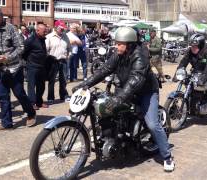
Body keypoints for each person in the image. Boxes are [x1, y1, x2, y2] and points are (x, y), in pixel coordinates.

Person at [72, 27, 175, 172]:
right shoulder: (119, 54)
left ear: (129, 44)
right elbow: (104, 69)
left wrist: (118, 98)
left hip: (146, 92)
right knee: (109, 109)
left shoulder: (140, 56)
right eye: (116, 43)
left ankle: (167, 156)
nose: (116, 46)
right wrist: (85, 85)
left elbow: (135, 79)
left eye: (119, 43)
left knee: (152, 124)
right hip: (127, 88)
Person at [0, 7, 36, 131]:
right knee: (3, 96)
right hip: (0, 69)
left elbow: (21, 47)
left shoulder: (11, 28)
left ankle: (31, 113)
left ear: (1, 16)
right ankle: (6, 123)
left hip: (14, 68)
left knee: (19, 93)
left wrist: (7, 57)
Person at [23, 23, 49, 110]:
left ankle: (39, 102)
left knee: (41, 86)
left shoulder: (43, 39)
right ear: (37, 30)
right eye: (44, 31)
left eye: (46, 31)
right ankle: (32, 103)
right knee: (31, 85)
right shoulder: (30, 40)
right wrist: (29, 61)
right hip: (32, 66)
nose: (45, 32)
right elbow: (23, 53)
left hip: (42, 66)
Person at [45, 20, 71, 104]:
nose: (62, 30)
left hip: (63, 60)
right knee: (51, 80)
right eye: (61, 28)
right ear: (55, 28)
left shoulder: (65, 36)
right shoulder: (49, 37)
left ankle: (63, 95)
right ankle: (50, 98)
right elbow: (46, 50)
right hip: (53, 61)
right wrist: (49, 58)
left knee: (63, 80)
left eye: (63, 29)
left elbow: (69, 48)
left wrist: (68, 55)